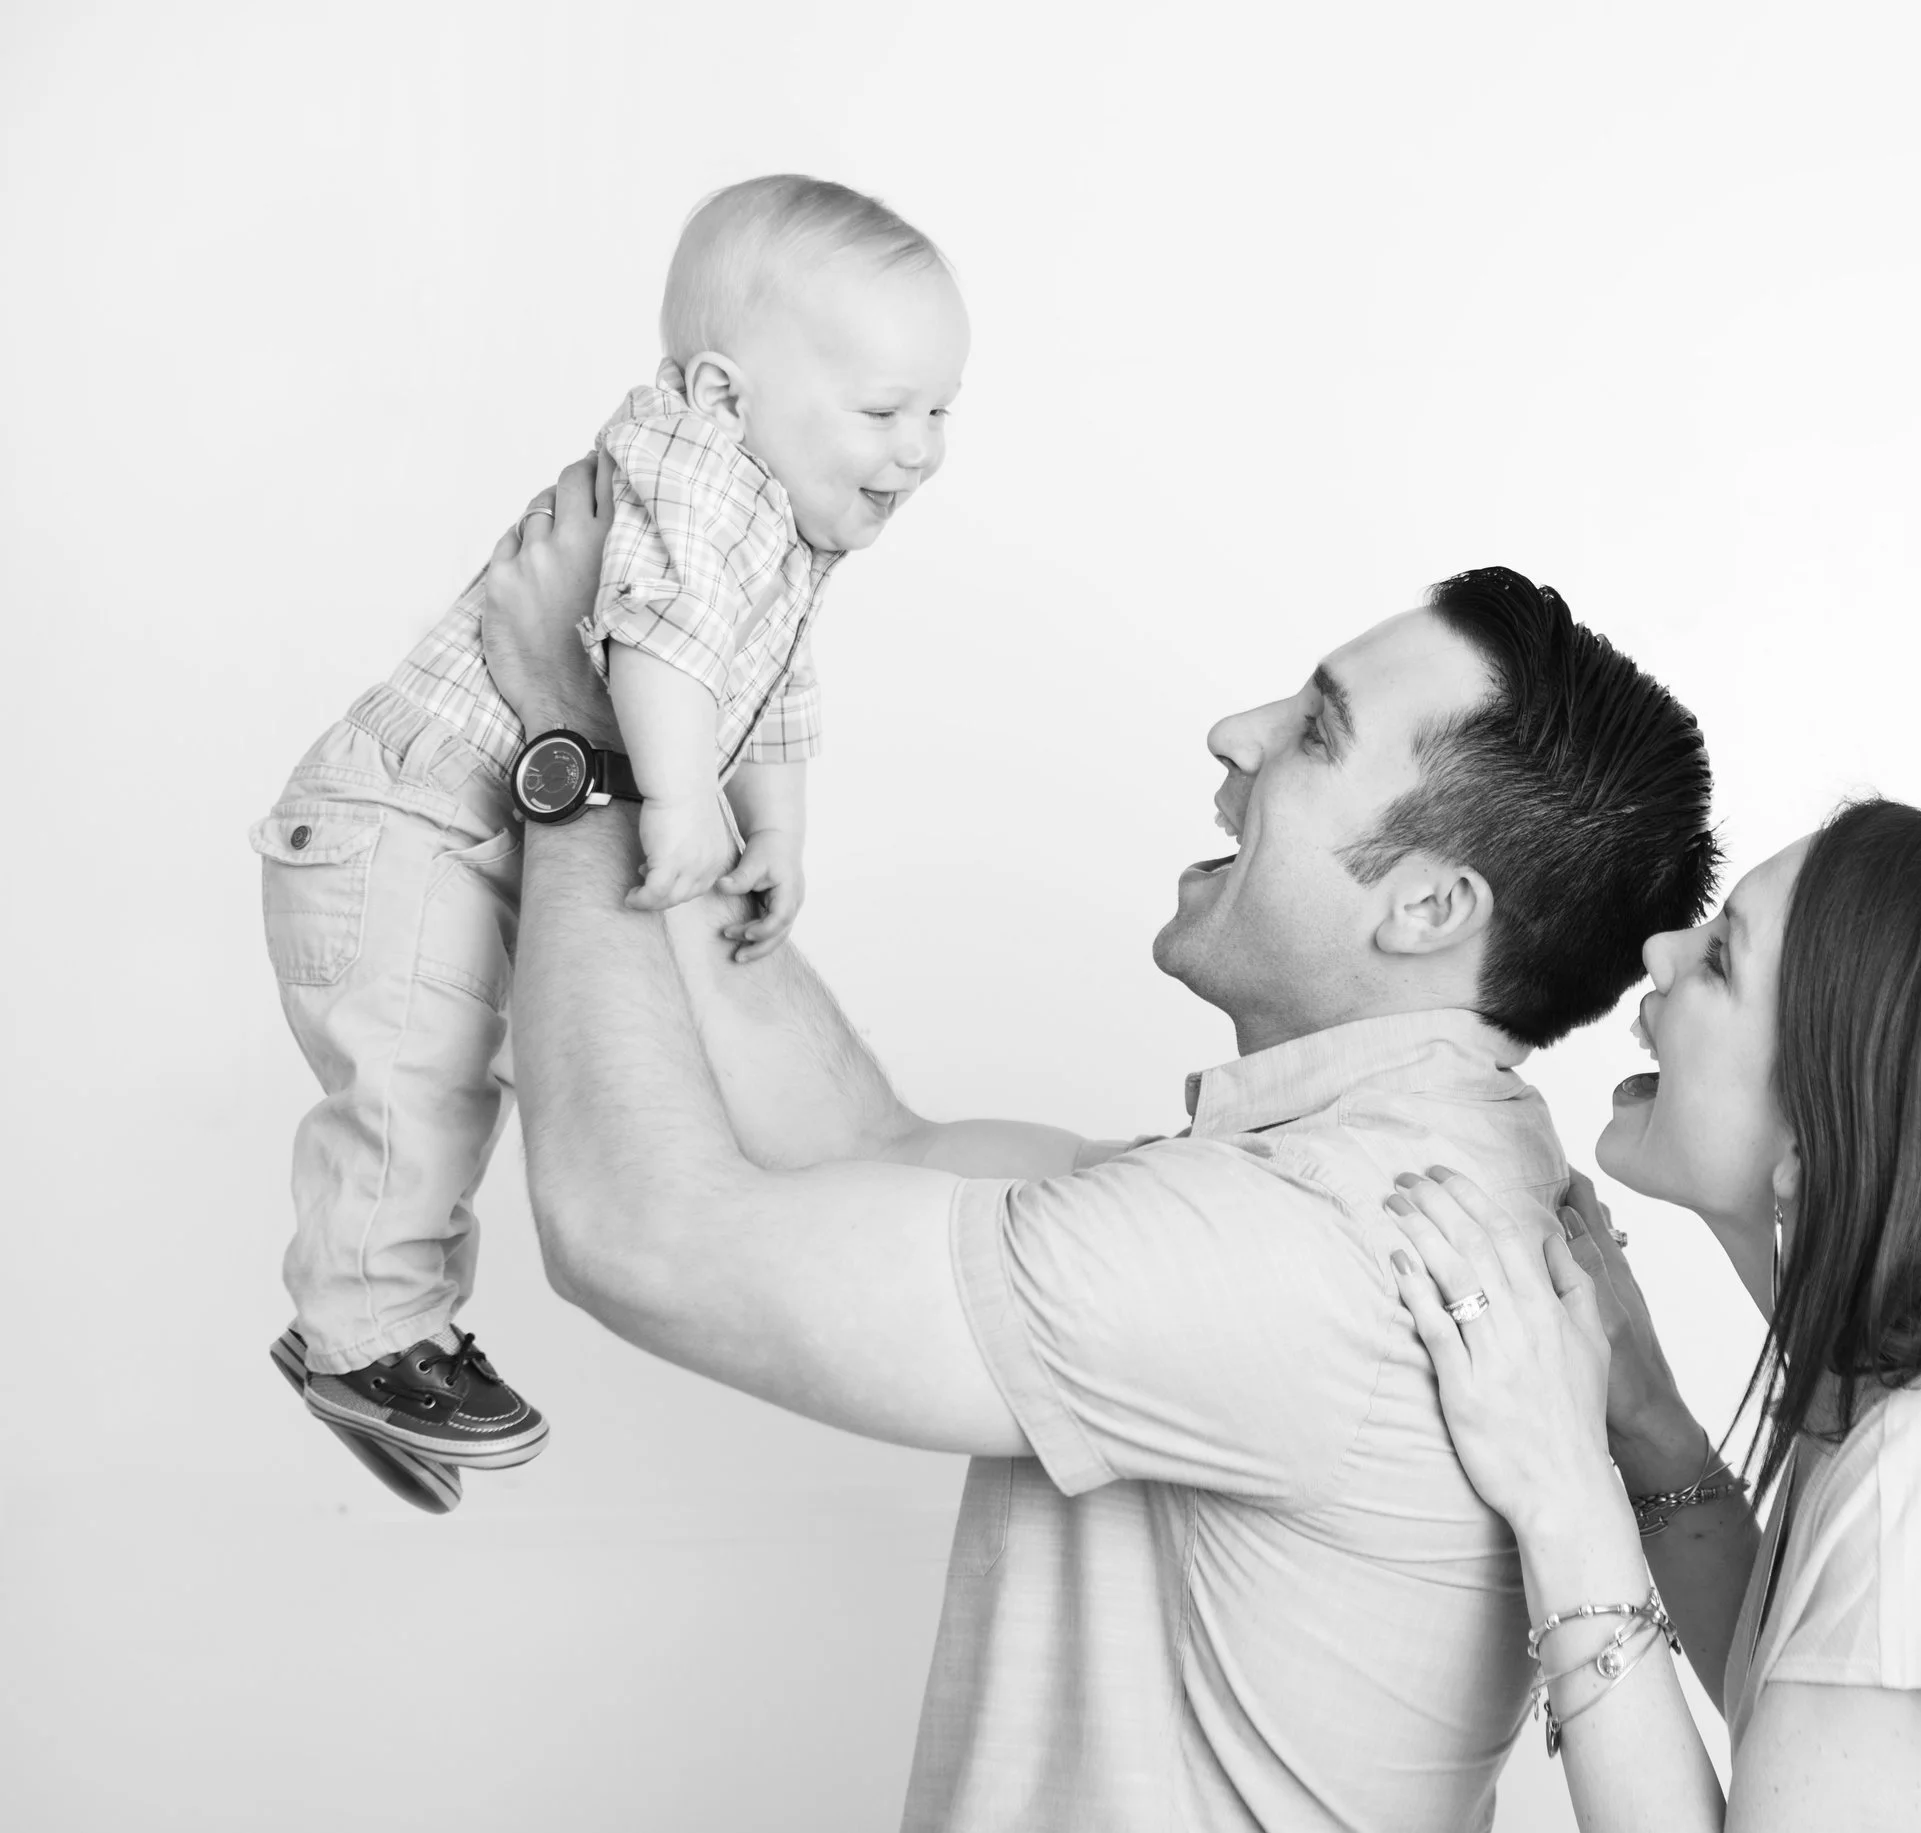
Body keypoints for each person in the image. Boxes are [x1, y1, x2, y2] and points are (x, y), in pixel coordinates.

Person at [474, 455, 1720, 1830]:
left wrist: (571, 757)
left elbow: (636, 1238)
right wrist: (662, 768)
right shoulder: (1395, 1165)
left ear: (1427, 908)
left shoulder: (1301, 1244)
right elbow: (869, 1142)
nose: (1234, 732)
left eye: (1316, 734)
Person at [250, 177, 969, 1509]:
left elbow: (773, 686)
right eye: (885, 411)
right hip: (405, 824)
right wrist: (680, 801)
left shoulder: (773, 523)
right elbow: (661, 644)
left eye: (941, 412)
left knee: (482, 1081)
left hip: (472, 831)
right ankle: (364, 1334)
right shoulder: (696, 474)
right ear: (724, 392)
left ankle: (375, 1332)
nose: (921, 449)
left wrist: (776, 827)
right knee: (418, 1082)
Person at [1383, 800, 1921, 1830]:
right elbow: (1816, 1732)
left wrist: (1560, 1495)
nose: (1660, 951)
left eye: (1721, 960)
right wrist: (1649, 1427)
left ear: (1816, 1144)